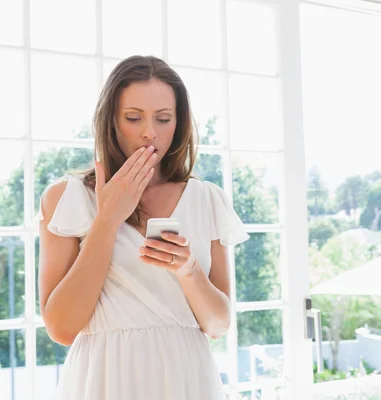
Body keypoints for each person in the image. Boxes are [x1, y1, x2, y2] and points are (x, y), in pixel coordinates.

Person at [36, 55, 249, 399]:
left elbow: (218, 325)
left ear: (178, 124)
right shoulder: (66, 198)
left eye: (163, 119)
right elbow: (61, 327)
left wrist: (188, 269)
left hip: (188, 379)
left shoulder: (207, 199)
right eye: (133, 118)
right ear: (112, 122)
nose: (150, 131)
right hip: (105, 378)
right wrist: (107, 219)